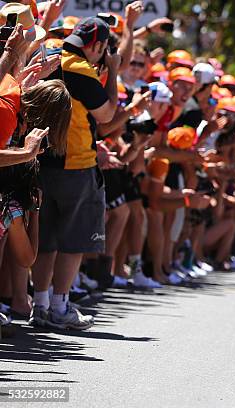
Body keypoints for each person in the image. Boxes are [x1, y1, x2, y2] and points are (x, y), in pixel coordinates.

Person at [30, 17, 119, 330]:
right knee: (73, 241)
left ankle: (39, 305)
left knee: (46, 240)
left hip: (41, 163)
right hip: (76, 166)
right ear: (96, 46)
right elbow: (107, 115)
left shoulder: (50, 57)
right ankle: (60, 306)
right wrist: (114, 72)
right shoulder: (81, 70)